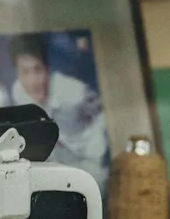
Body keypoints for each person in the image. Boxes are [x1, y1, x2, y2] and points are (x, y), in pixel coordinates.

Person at [7, 33, 111, 190]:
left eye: (38, 69)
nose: (32, 81)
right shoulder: (18, 92)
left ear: (48, 68)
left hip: (87, 163)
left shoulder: (75, 92)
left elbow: (101, 121)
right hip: (53, 171)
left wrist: (91, 156)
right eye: (25, 71)